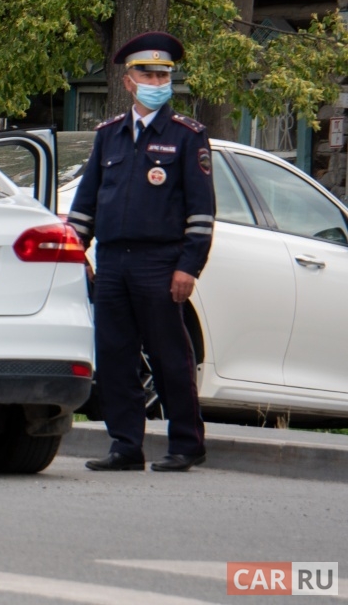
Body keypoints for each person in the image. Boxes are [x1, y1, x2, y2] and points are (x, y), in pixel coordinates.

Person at [69, 31, 215, 472]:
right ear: (129, 81)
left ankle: (187, 444)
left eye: (163, 74)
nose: (157, 80)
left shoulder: (188, 136)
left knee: (171, 356)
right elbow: (85, 205)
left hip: (159, 263)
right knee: (115, 356)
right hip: (113, 263)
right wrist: (77, 253)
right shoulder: (109, 135)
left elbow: (202, 213)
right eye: (147, 73)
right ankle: (125, 444)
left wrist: (188, 266)